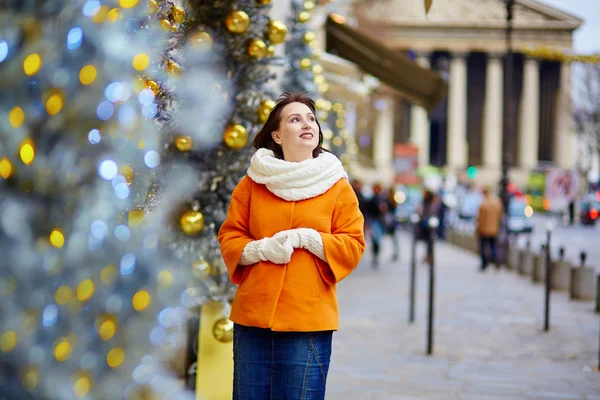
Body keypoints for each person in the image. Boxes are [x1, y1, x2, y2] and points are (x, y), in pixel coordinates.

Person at [218, 92, 366, 400]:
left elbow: (353, 244)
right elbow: (230, 236)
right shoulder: (252, 184)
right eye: (295, 119)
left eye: (311, 118)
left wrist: (310, 239)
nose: (306, 124)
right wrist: (260, 250)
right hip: (253, 319)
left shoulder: (337, 185)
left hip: (308, 321)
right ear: (277, 134)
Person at [476, 186, 503, 271]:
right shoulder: (497, 202)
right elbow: (500, 216)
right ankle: (496, 261)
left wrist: (478, 229)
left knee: (483, 247)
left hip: (484, 230)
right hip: (494, 229)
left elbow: (480, 219)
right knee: (493, 246)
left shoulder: (483, 204)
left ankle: (484, 264)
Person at [364, 183, 388, 268]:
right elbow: (367, 211)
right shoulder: (371, 200)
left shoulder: (382, 199)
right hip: (374, 221)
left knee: (378, 239)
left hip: (380, 221)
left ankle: (376, 254)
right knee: (375, 239)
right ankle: (375, 254)